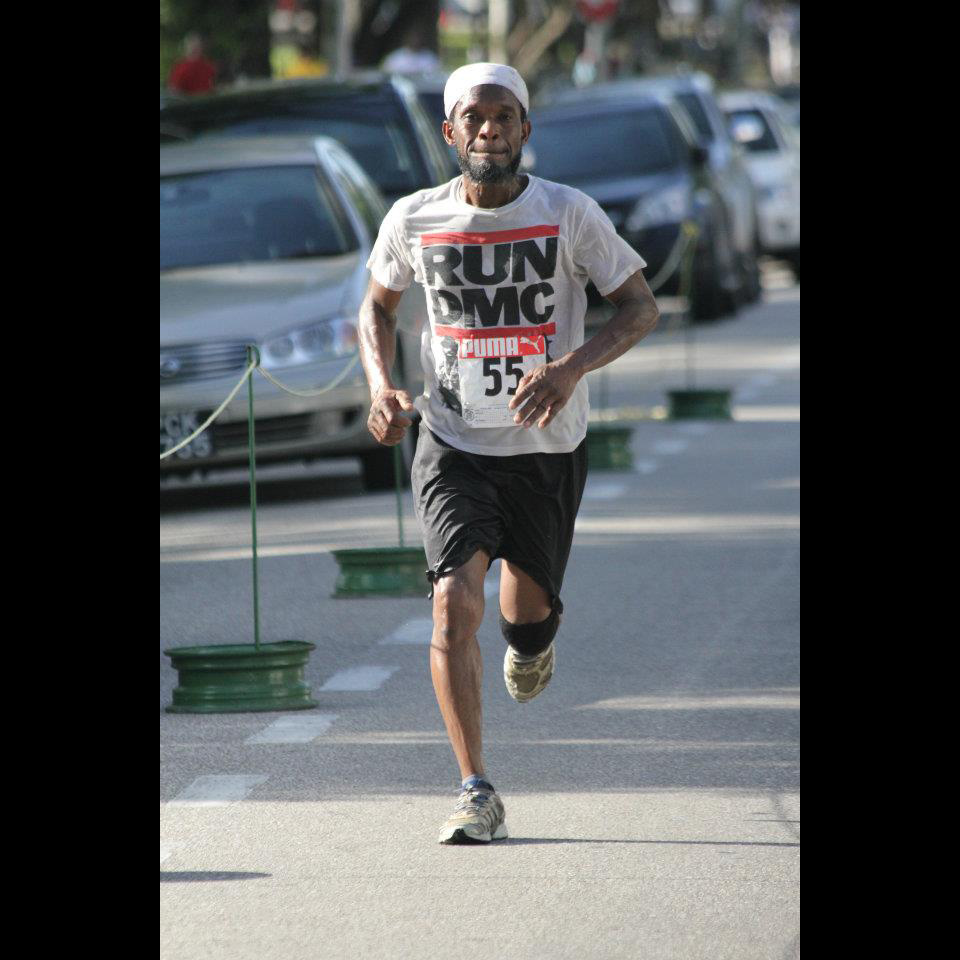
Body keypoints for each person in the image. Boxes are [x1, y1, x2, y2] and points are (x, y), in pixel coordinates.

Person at [359, 62, 660, 845]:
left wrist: (570, 369)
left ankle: (534, 639)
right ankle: (475, 789)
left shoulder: (568, 213)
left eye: (504, 117)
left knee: (524, 622)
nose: (489, 129)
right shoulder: (413, 218)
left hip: (546, 448)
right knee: (453, 602)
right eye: (474, 118)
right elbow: (376, 307)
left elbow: (639, 307)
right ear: (450, 132)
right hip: (452, 442)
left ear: (525, 129)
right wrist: (382, 388)